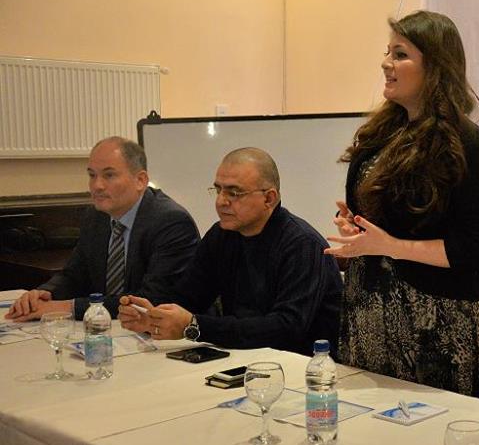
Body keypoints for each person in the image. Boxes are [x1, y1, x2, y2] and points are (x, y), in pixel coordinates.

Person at [326, 10, 479, 397]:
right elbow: (384, 221)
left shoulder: (470, 145)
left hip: (434, 324)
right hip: (369, 308)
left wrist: (390, 246)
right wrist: (355, 227)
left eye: (401, 54)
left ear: (435, 67)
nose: (386, 63)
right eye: (388, 52)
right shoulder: (380, 132)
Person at [118, 147, 342, 356]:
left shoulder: (303, 244)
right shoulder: (222, 235)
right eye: (218, 190)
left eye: (234, 193)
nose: (221, 201)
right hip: (242, 357)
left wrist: (195, 326)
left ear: (269, 198)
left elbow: (286, 328)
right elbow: (189, 298)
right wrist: (153, 317)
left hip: (304, 366)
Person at [5, 136, 199, 322]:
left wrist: (66, 307)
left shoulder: (171, 222)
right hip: (110, 329)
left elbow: (152, 299)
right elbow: (74, 275)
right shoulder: (96, 216)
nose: (97, 185)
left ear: (140, 180)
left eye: (109, 175)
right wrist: (44, 294)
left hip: (162, 334)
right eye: (92, 175)